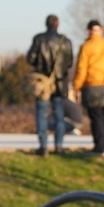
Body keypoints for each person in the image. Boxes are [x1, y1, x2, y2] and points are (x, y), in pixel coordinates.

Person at [72, 20, 104, 157]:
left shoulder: (86, 47)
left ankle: (99, 147)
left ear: (88, 31)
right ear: (101, 31)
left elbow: (81, 69)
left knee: (96, 118)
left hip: (91, 87)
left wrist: (76, 87)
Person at [27, 14, 74, 156]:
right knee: (59, 114)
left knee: (41, 113)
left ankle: (43, 146)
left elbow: (31, 58)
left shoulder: (38, 39)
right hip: (59, 83)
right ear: (58, 25)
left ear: (46, 24)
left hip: (43, 83)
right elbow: (70, 63)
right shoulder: (66, 42)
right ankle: (59, 145)